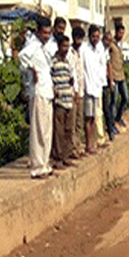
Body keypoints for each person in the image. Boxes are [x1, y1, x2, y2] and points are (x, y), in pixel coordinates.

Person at [20, 17, 54, 179]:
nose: (47, 35)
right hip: (38, 91)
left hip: (47, 92)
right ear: (38, 31)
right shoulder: (32, 45)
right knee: (38, 131)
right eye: (44, 32)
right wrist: (31, 69)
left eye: (49, 32)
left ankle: (45, 164)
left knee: (46, 131)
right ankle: (37, 166)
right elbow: (22, 58)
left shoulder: (42, 47)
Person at [50, 35, 77, 168]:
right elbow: (50, 78)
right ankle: (58, 158)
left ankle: (66, 156)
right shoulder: (53, 61)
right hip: (59, 100)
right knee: (58, 131)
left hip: (68, 99)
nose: (65, 49)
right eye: (63, 46)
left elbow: (71, 79)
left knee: (68, 129)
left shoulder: (68, 62)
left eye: (67, 46)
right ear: (59, 46)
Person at [82, 26, 108, 151]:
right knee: (88, 117)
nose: (96, 39)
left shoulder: (100, 48)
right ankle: (88, 144)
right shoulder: (84, 49)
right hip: (87, 87)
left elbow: (102, 67)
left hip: (97, 87)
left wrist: (103, 84)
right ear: (89, 36)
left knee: (96, 116)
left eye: (98, 37)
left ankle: (94, 141)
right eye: (94, 37)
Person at [69, 26, 87, 157]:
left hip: (81, 91)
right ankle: (73, 148)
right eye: (77, 38)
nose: (79, 41)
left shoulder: (81, 52)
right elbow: (72, 74)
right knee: (73, 121)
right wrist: (74, 90)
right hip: (73, 93)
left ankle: (79, 145)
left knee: (80, 121)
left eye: (81, 38)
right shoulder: (70, 53)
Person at [109, 24, 128, 126]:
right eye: (120, 33)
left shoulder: (120, 45)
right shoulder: (111, 45)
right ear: (116, 32)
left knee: (125, 98)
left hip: (121, 75)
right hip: (114, 76)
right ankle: (112, 122)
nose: (121, 35)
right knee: (114, 100)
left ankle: (118, 117)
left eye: (122, 33)